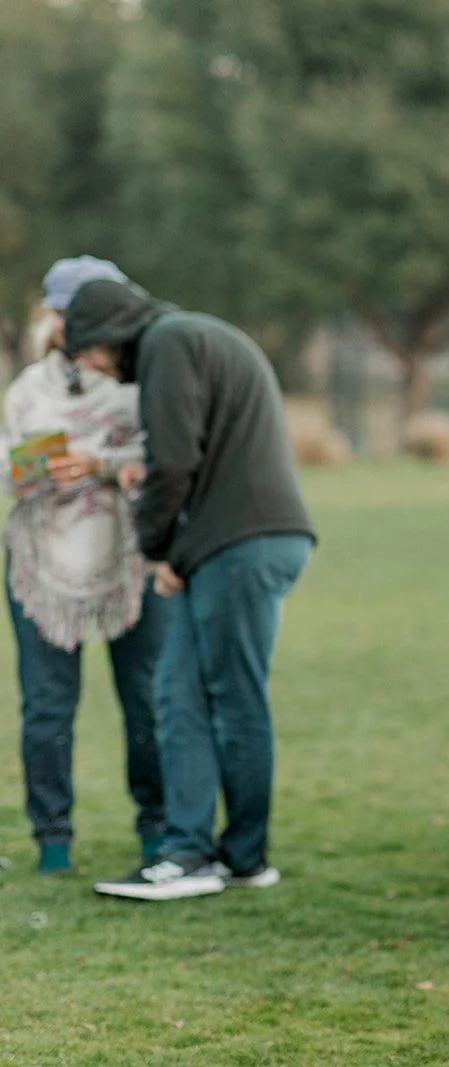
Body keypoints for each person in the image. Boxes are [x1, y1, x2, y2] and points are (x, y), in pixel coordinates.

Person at [61, 279, 316, 902]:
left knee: (231, 700)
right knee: (180, 693)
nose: (90, 365)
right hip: (241, 540)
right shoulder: (187, 335)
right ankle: (196, 851)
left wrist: (158, 551)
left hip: (242, 542)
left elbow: (174, 461)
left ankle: (232, 857)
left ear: (109, 332)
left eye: (87, 351)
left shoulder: (170, 344)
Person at [4, 255, 167, 875]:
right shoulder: (26, 391)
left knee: (147, 696)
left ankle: (156, 827)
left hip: (128, 561)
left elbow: (162, 452)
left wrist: (98, 459)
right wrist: (36, 465)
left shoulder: (136, 385)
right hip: (41, 565)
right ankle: (52, 839)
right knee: (47, 705)